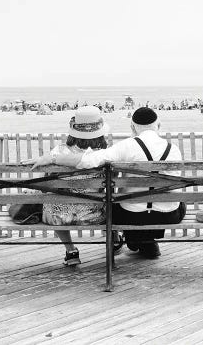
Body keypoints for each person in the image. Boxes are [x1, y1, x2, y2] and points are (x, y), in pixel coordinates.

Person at [33, 107, 185, 259]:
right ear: (158, 126)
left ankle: (137, 241)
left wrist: (52, 159)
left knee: (123, 205)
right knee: (172, 204)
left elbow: (87, 161)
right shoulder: (174, 149)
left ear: (132, 127)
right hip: (169, 216)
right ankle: (143, 243)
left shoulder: (125, 146)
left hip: (128, 216)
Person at [38, 106, 111, 266]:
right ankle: (114, 241)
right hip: (95, 215)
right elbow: (113, 184)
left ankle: (71, 250)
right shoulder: (105, 154)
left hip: (58, 217)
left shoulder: (59, 152)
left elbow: (46, 184)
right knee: (111, 203)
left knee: (53, 203)